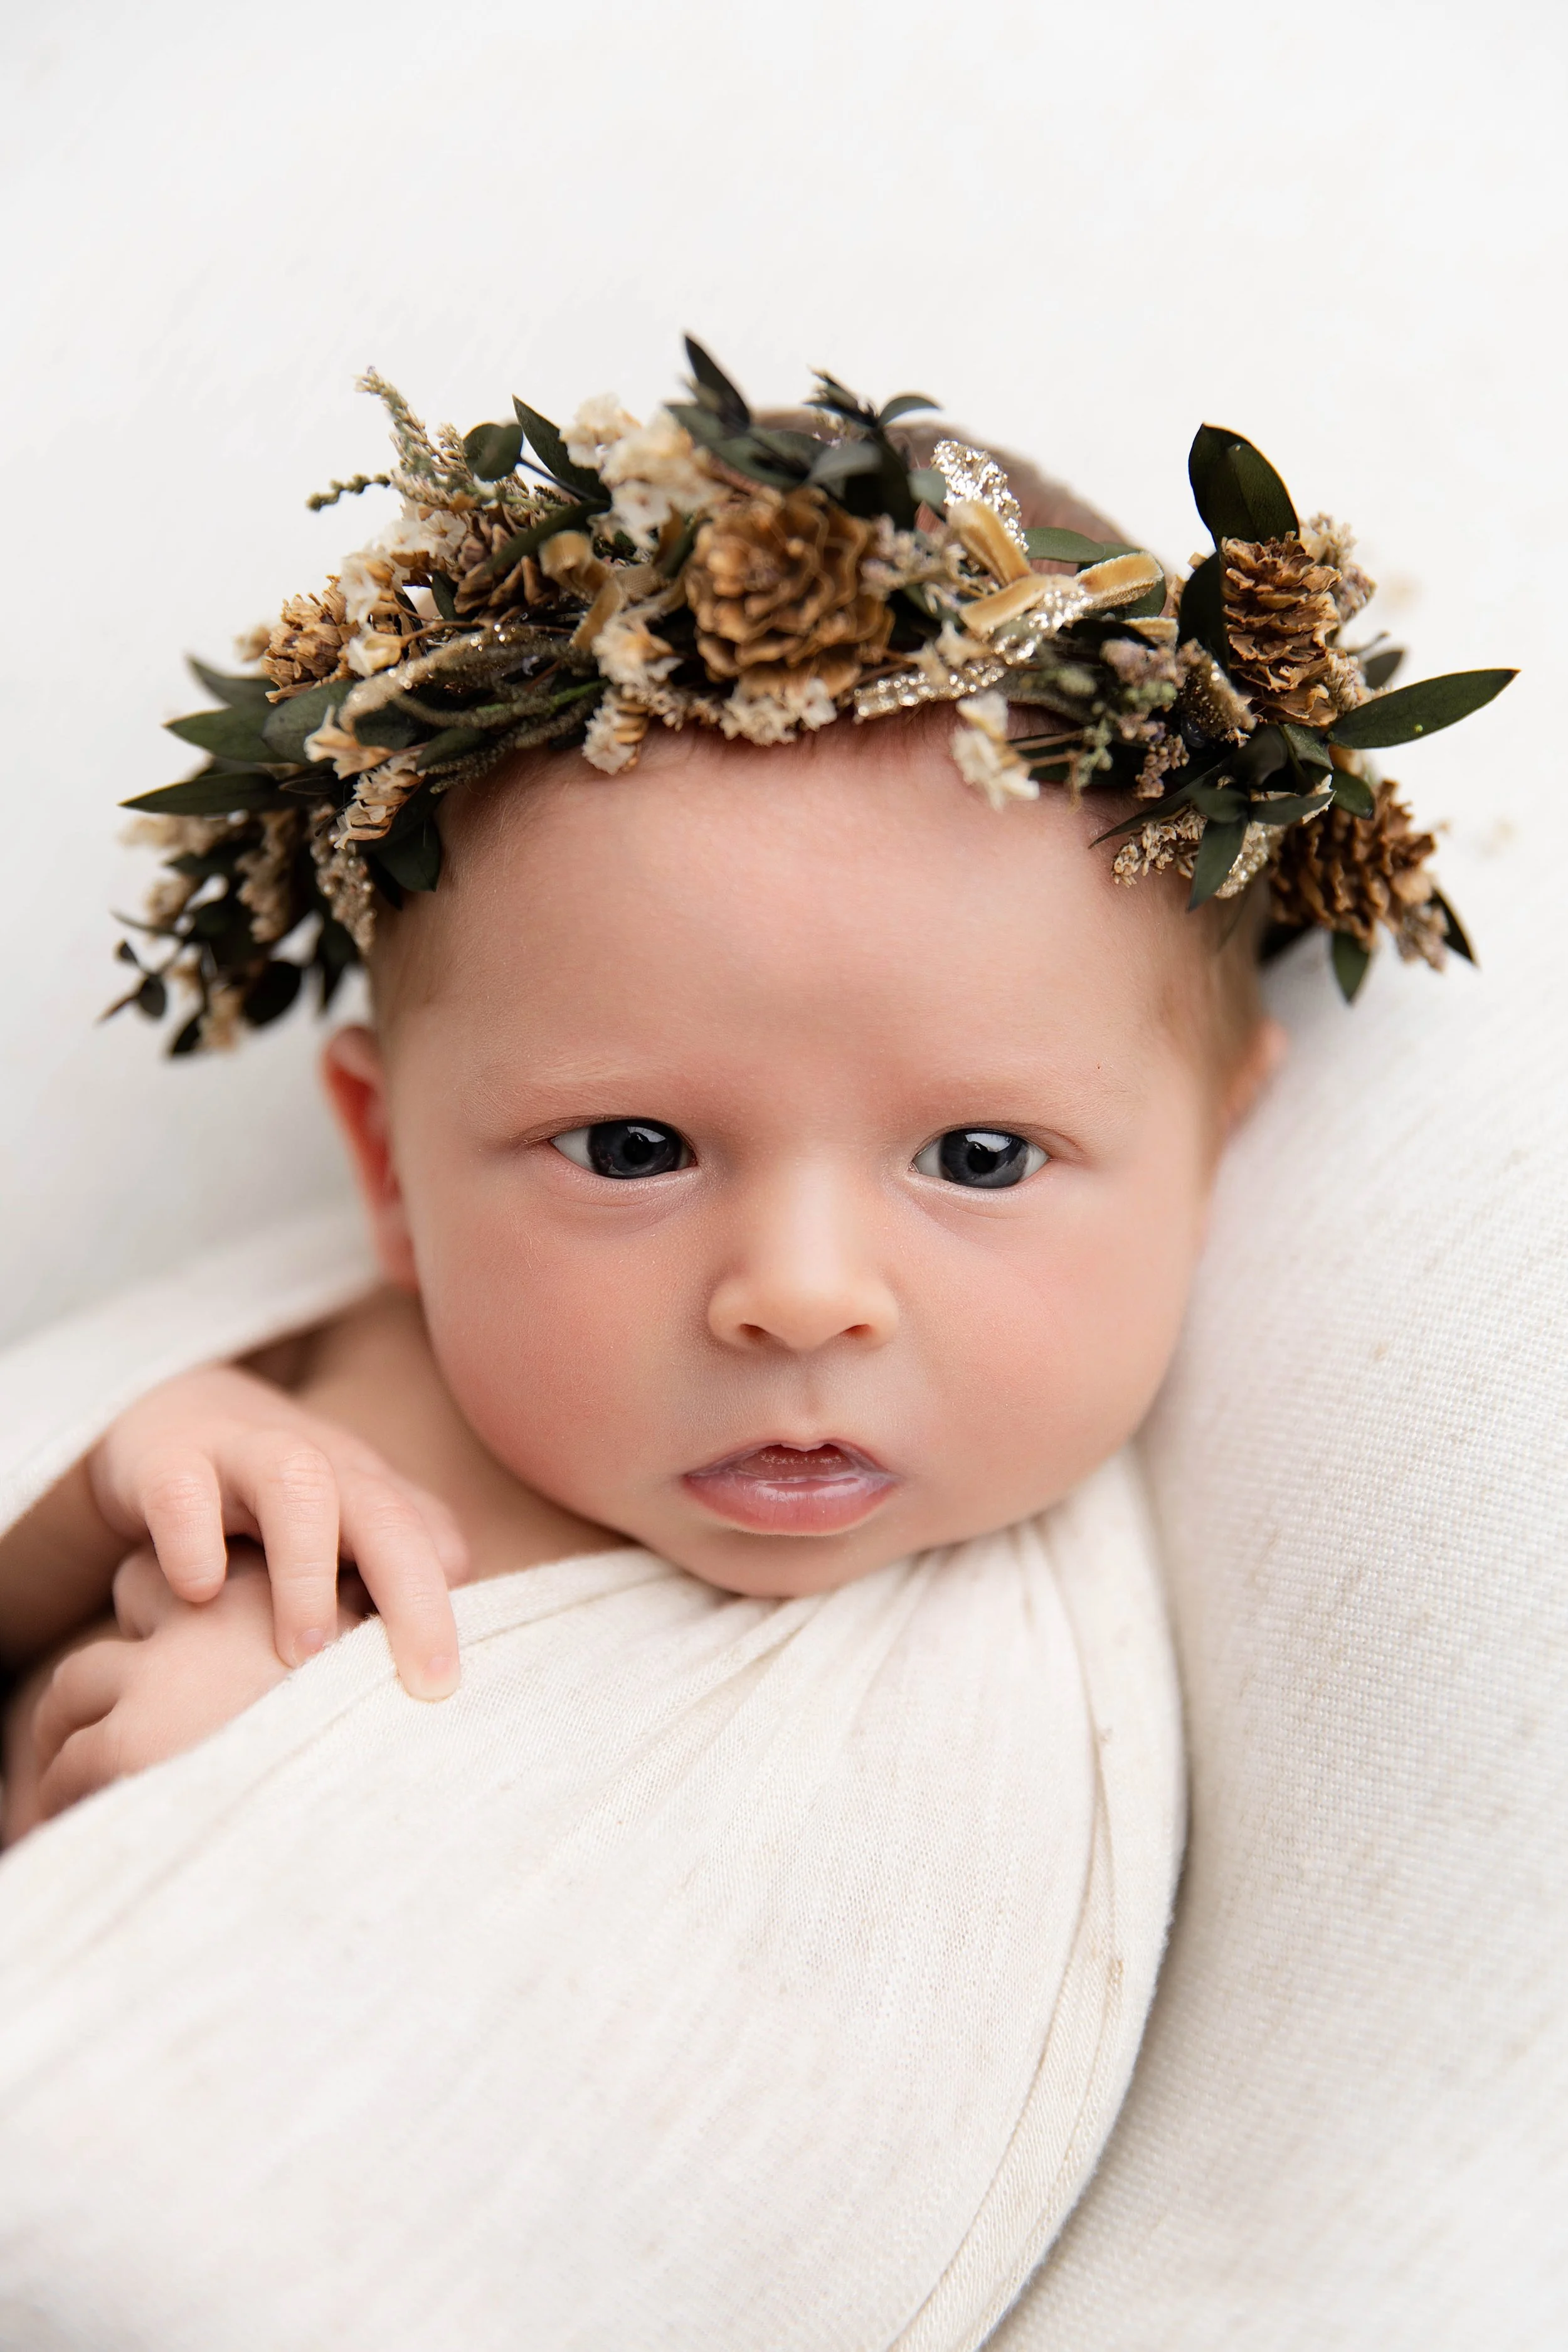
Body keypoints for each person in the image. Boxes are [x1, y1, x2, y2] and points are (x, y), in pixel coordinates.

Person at [0, 348, 1506, 1841]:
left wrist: (295, 1837)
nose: (797, 1298)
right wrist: (102, 1494)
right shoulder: (316, 1413)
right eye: (633, 1147)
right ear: (386, 1163)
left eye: (979, 1157)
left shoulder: (1113, 1666)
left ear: (1209, 1150)